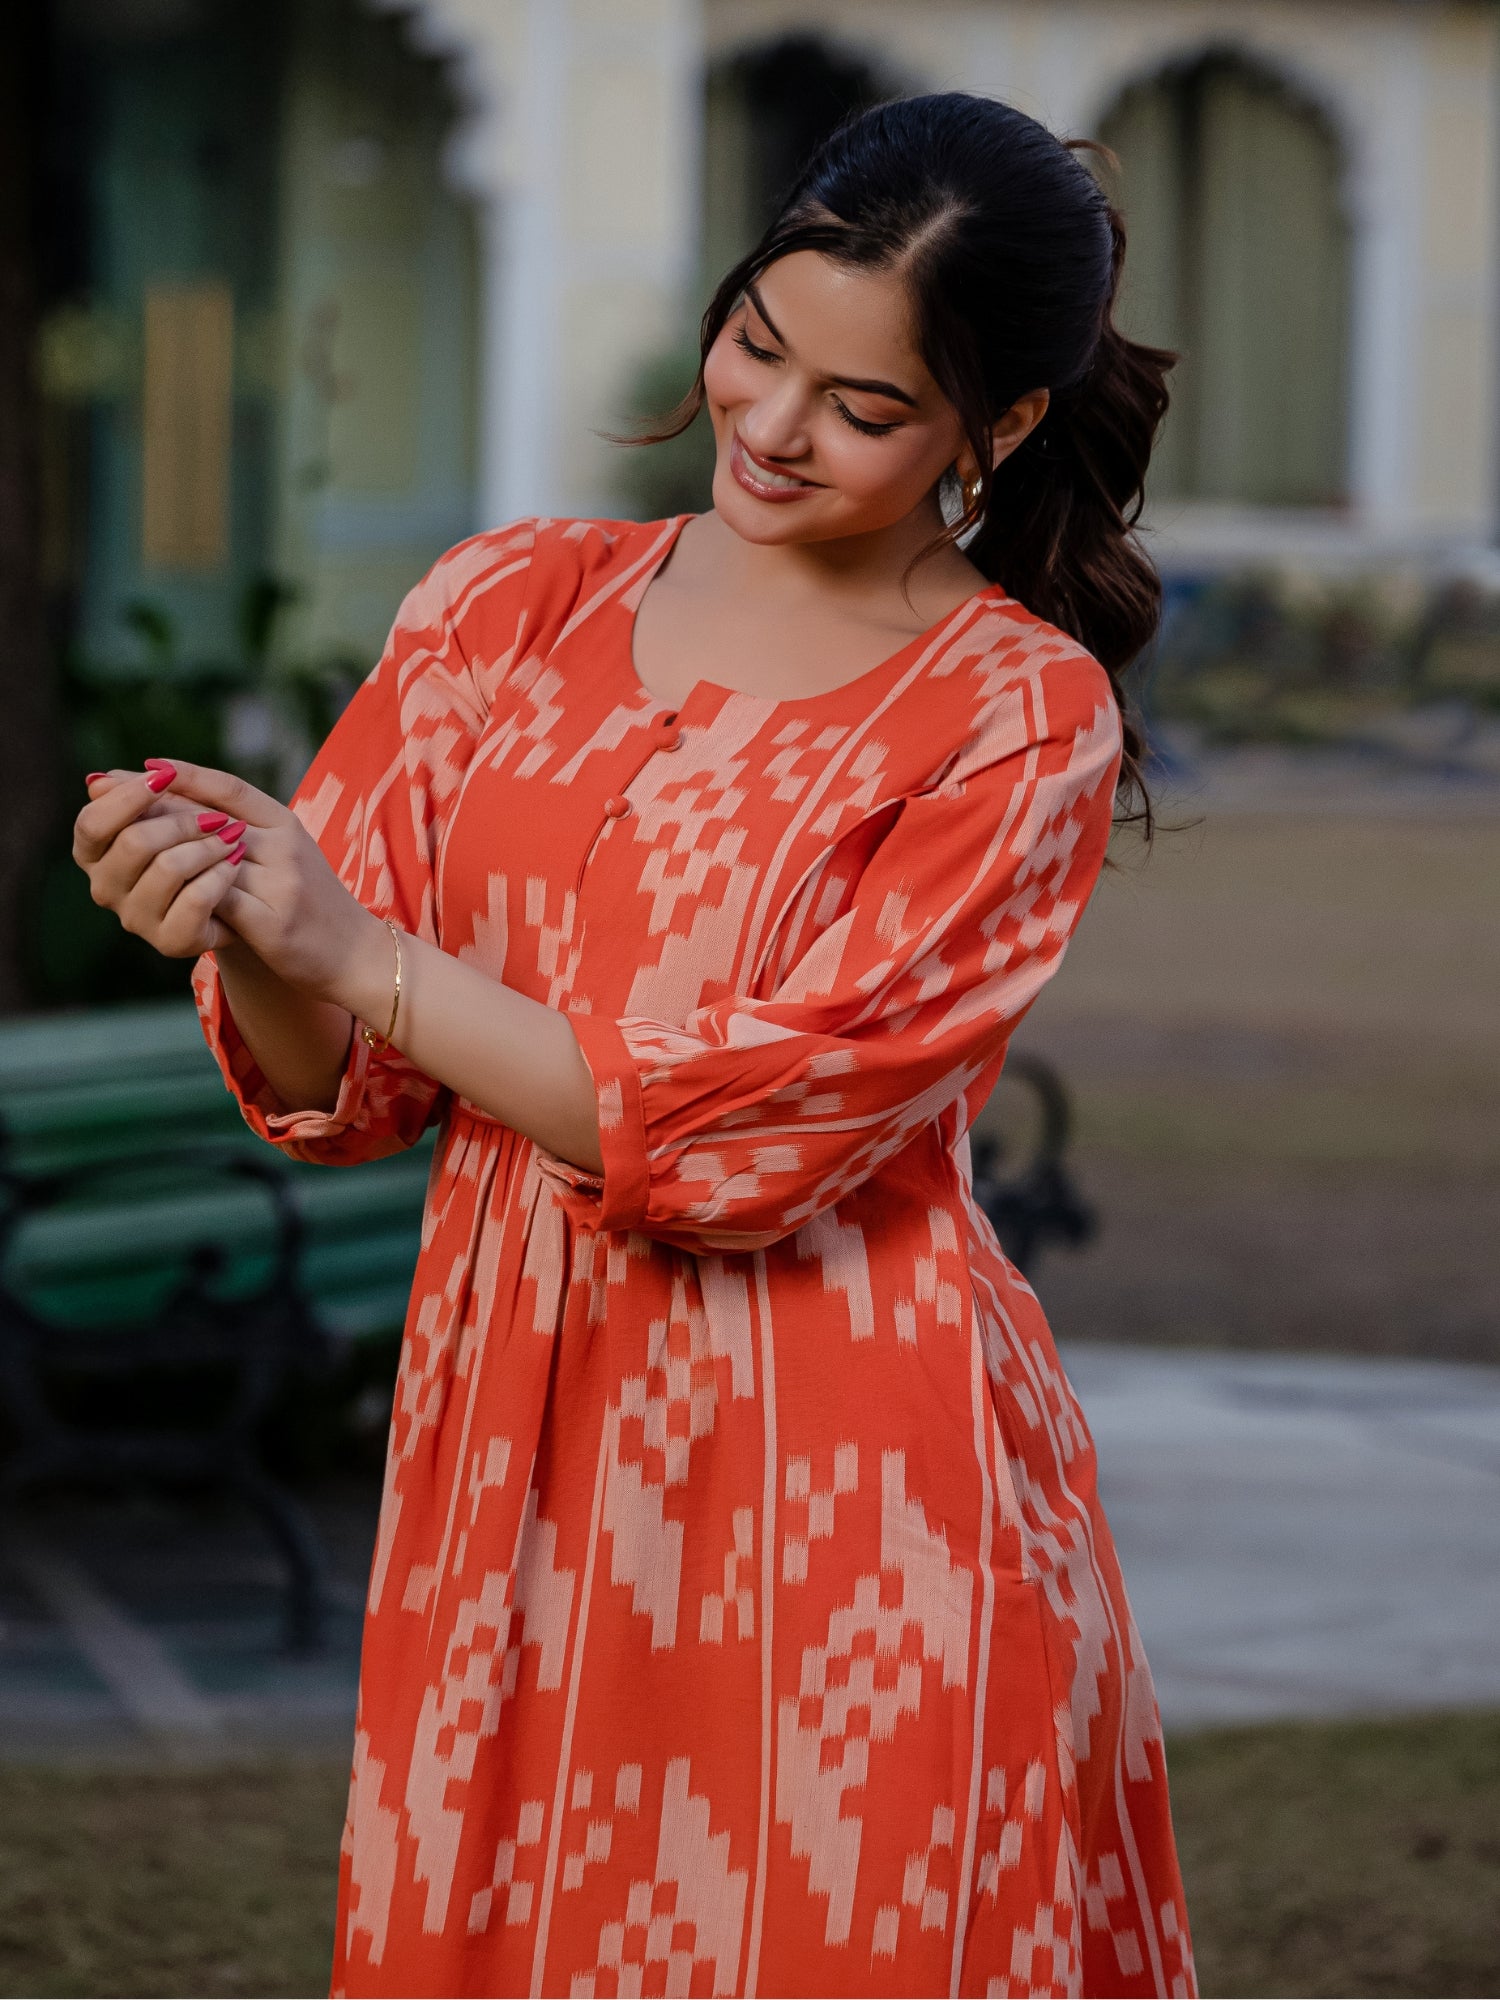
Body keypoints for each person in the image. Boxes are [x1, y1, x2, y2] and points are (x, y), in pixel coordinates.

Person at [74, 92, 1194, 2000]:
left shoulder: (1013, 716)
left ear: (995, 431)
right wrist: (248, 918)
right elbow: (343, 1085)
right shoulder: (508, 607)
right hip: (501, 1444)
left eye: (862, 408)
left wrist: (359, 944)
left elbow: (758, 1139)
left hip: (844, 1466)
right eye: (759, 345)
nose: (768, 428)